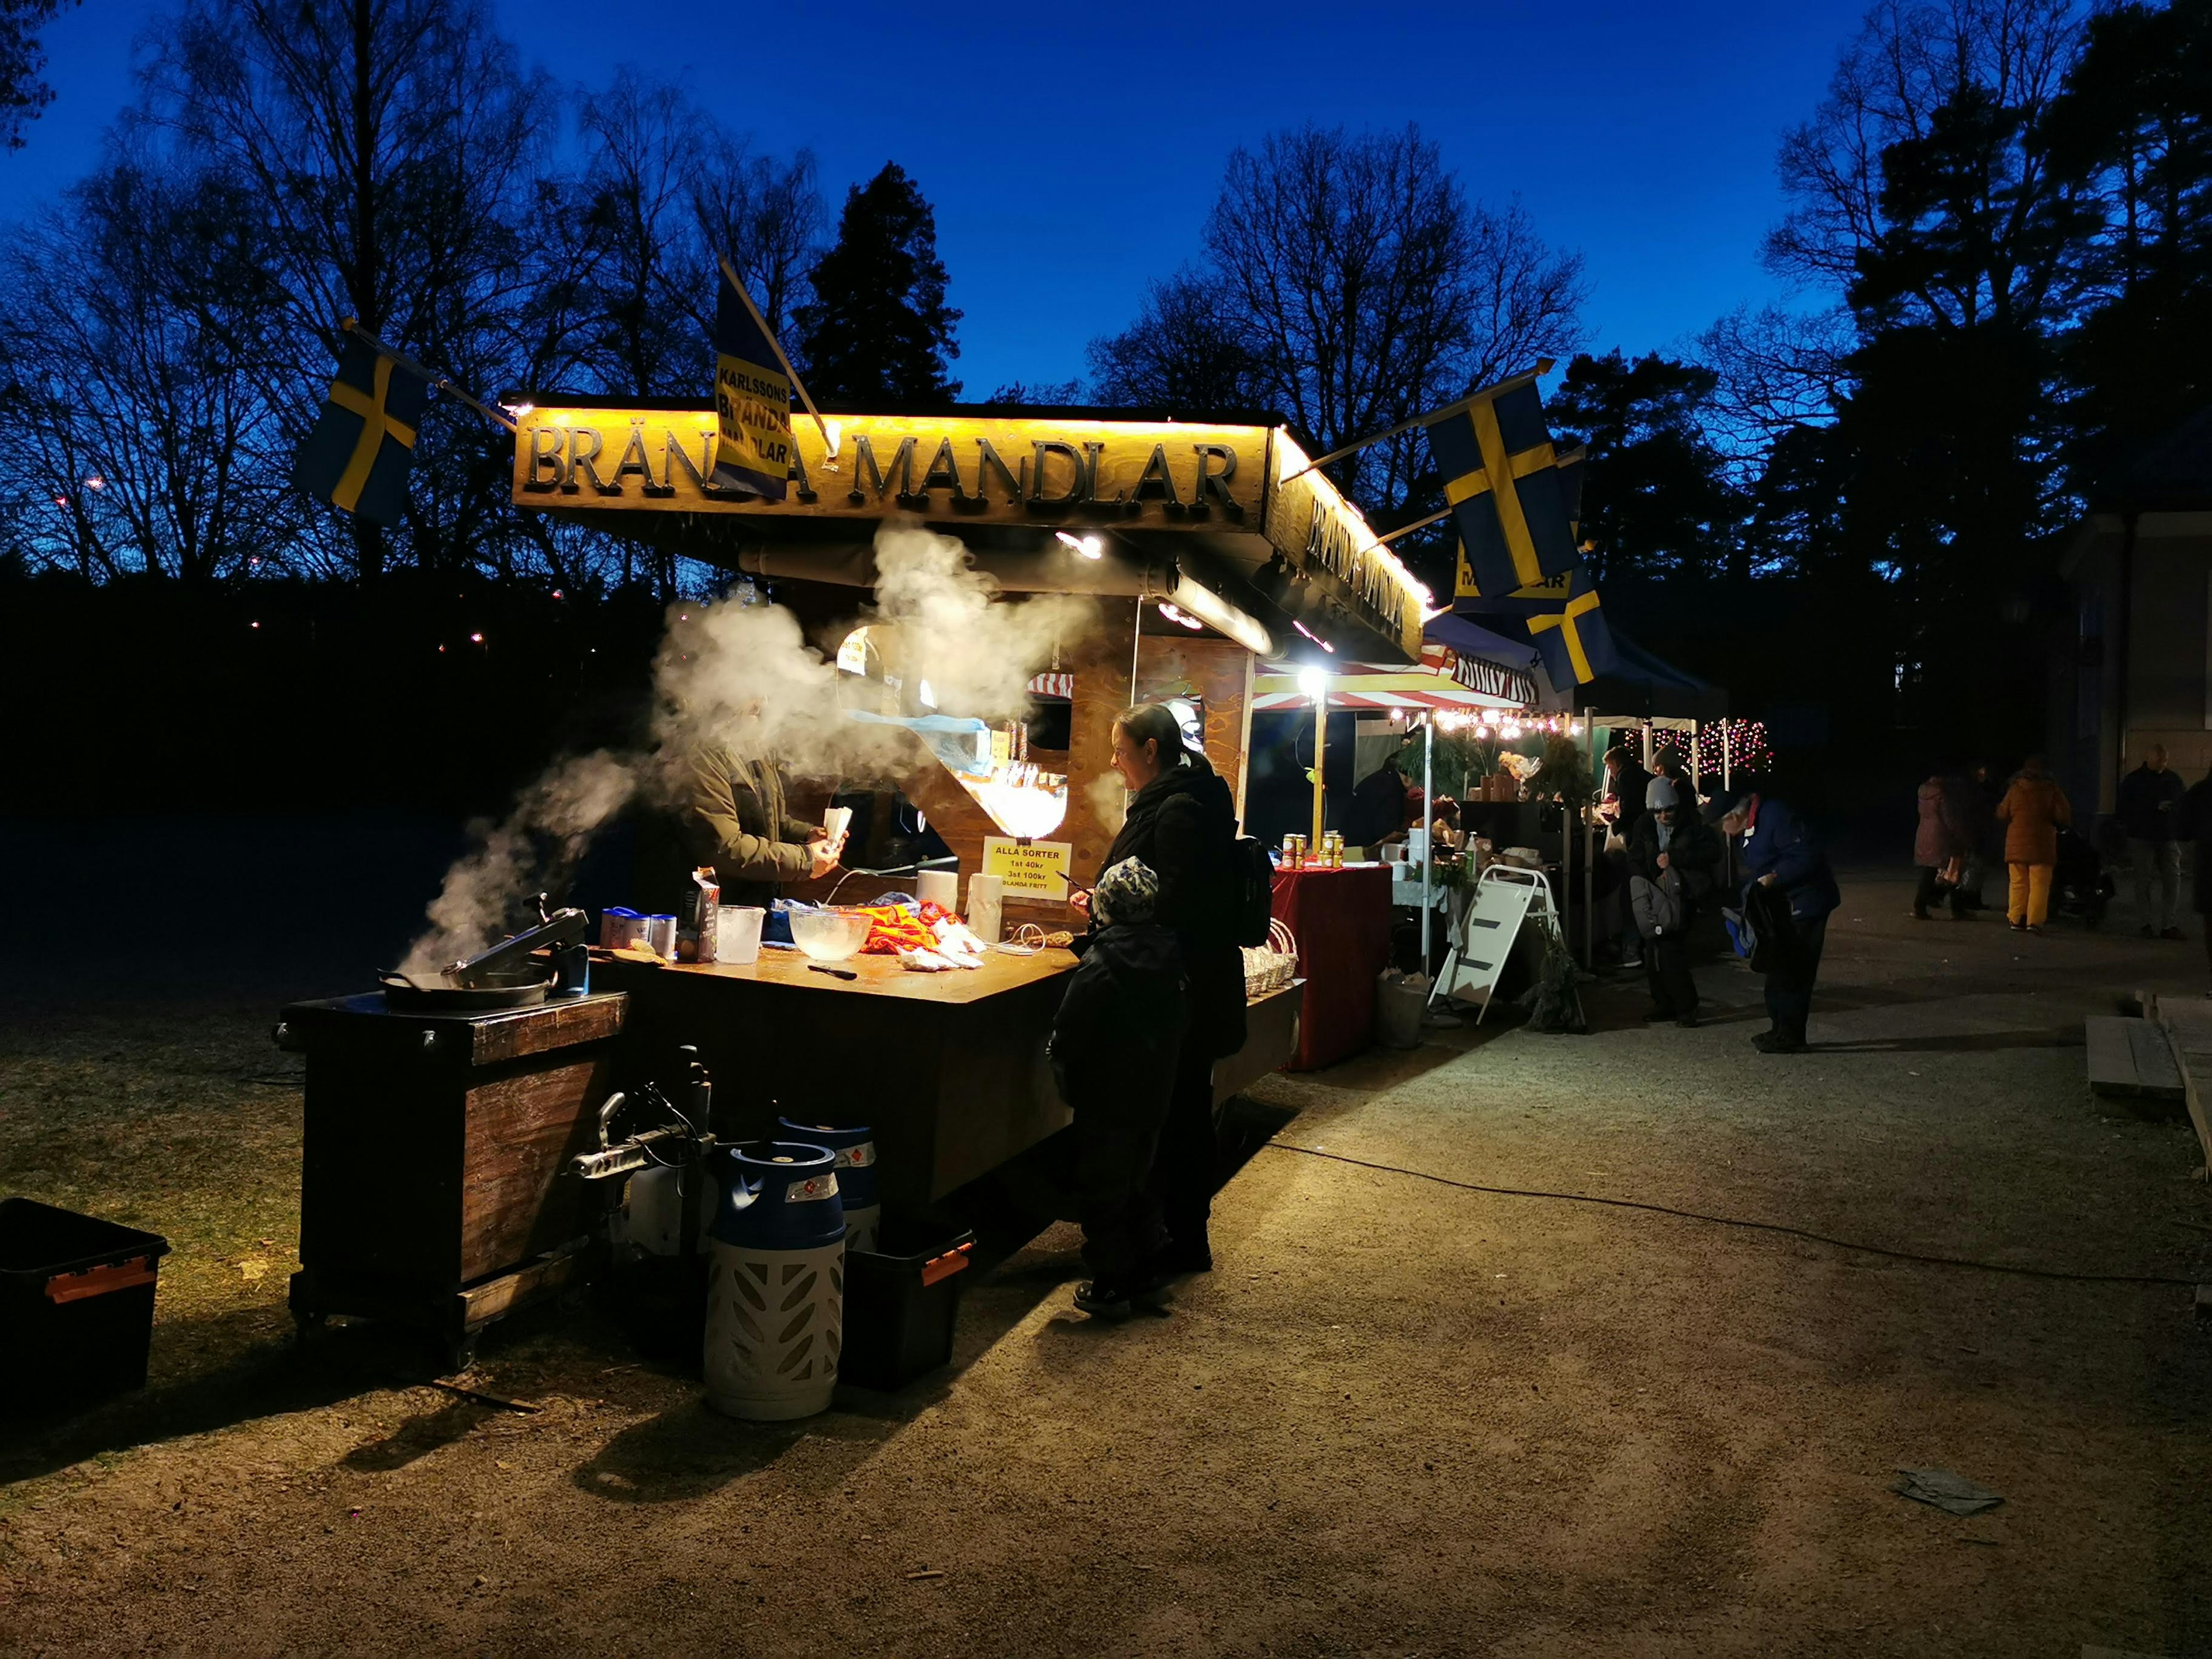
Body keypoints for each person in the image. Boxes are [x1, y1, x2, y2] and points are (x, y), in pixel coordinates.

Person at [1066, 704, 1244, 1277]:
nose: (1116, 764)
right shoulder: (1190, 797)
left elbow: (1173, 906)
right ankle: (1176, 1237)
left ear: (1149, 750)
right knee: (1183, 1114)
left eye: (1120, 752)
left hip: (1177, 990)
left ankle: (1178, 1241)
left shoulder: (1178, 810)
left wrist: (1111, 912)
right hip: (1190, 985)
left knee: (1176, 1119)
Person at [1047, 858, 1189, 1317]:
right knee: (1141, 1183)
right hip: (1154, 1092)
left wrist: (1063, 1069)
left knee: (1102, 1189)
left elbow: (1070, 1030)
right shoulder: (1169, 952)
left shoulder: (1101, 964)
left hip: (1107, 1096)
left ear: (1105, 905)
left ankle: (1112, 1285)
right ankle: (1145, 1272)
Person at [647, 728, 841, 911]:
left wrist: (808, 835)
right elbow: (722, 846)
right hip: (697, 915)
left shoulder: (753, 742)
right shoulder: (698, 751)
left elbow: (769, 821)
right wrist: (805, 859)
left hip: (745, 910)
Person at [1711, 785, 1839, 1053]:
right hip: (1783, 905)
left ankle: (1791, 1034)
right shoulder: (1749, 828)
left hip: (1806, 903)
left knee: (1796, 968)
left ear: (1735, 816)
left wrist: (1776, 876)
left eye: (1722, 822)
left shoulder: (1775, 815)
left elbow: (1807, 854)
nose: (1722, 830)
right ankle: (1780, 1028)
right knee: (1779, 965)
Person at [1626, 777, 1722, 1025]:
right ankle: (1665, 1004)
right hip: (1655, 892)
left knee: (1670, 950)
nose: (1663, 815)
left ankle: (1685, 1007)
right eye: (1657, 811)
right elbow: (1635, 854)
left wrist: (1676, 858)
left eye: (1668, 809)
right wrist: (1644, 881)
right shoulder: (1644, 824)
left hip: (1684, 892)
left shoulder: (1693, 821)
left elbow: (1712, 852)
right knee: (1652, 952)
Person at [1995, 755, 2072, 934]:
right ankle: (2034, 922)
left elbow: (2002, 813)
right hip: (2042, 844)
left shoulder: (2015, 789)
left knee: (2018, 883)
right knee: (2040, 884)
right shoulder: (2052, 789)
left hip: (2017, 844)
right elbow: (2063, 815)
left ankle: (2016, 918)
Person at [2118, 744, 2187, 940]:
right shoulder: (2134, 781)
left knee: (2172, 880)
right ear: (2148, 758)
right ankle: (2146, 923)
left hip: (2167, 836)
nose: (2162, 764)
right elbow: (2124, 808)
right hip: (2143, 836)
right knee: (2144, 881)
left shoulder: (2172, 779)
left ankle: (2168, 924)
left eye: (2165, 760)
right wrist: (2154, 807)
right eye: (2159, 760)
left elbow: (2183, 803)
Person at [1912, 768, 1975, 921]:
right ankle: (1957, 909)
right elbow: (1949, 818)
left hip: (1925, 834)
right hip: (1943, 836)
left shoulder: (1923, 791)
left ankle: (1920, 905)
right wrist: (1961, 833)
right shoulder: (1944, 793)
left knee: (1930, 871)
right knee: (1954, 870)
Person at [1343, 749, 1411, 851]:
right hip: (1362, 852)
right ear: (1407, 777)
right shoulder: (1390, 788)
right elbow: (1385, 830)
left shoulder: (1379, 779)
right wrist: (1406, 833)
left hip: (1350, 846)